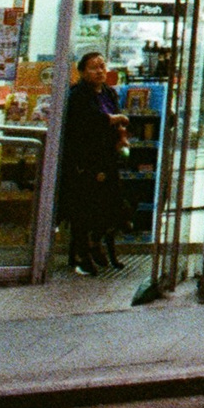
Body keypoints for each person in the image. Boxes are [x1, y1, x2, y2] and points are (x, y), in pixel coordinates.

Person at [57, 52, 129, 274]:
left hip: (107, 156)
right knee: (84, 206)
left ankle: (96, 242)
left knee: (110, 205)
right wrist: (115, 119)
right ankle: (82, 253)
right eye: (93, 68)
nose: (99, 71)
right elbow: (88, 121)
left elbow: (117, 120)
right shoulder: (77, 95)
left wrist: (121, 136)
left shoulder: (109, 93)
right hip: (85, 160)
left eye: (102, 66)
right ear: (81, 71)